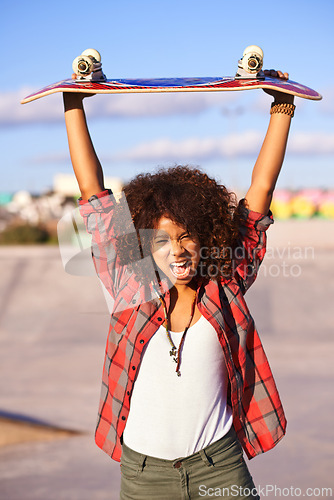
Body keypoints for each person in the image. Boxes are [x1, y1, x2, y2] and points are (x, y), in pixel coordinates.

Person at [63, 70, 295, 500]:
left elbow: (259, 195)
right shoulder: (128, 288)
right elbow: (94, 194)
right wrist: (73, 103)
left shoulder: (224, 284)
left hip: (220, 467)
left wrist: (282, 107)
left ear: (206, 236)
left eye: (188, 235)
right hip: (144, 476)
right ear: (144, 245)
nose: (178, 251)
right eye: (163, 240)